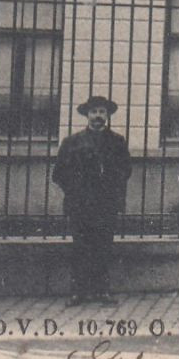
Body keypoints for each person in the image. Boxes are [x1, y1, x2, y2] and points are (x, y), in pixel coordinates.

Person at [51, 95, 132, 305]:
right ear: (87, 115)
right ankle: (78, 292)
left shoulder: (117, 142)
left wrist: (112, 188)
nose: (98, 116)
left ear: (107, 116)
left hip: (106, 204)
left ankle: (102, 290)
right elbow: (58, 173)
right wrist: (77, 190)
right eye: (94, 112)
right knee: (81, 247)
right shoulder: (72, 142)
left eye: (102, 112)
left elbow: (126, 170)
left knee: (103, 247)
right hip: (80, 204)